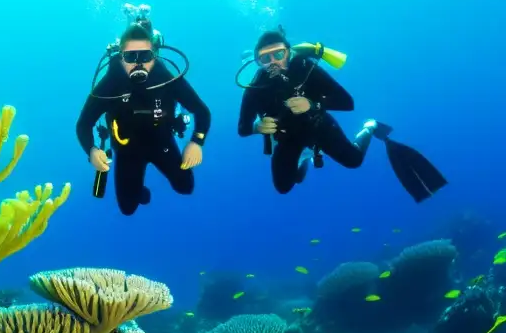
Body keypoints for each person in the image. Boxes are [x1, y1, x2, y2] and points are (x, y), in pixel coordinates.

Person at [237, 27, 447, 201]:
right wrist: (258, 127)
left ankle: (369, 127)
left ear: (289, 53)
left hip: (318, 126)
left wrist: (312, 104)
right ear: (258, 61)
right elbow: (243, 129)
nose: (273, 62)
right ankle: (304, 158)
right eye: (266, 58)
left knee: (354, 161)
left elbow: (347, 102)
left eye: (279, 54)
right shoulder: (255, 87)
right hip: (288, 138)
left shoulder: (306, 69)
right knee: (284, 187)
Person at [77, 22, 211, 215]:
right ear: (121, 57)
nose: (138, 63)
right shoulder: (110, 83)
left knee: (185, 187)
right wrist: (91, 150)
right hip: (126, 150)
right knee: (128, 209)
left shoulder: (165, 77)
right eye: (131, 56)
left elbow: (201, 110)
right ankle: (139, 190)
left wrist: (197, 142)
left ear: (154, 55)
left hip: (162, 142)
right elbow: (83, 124)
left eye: (145, 56)